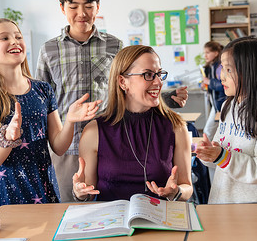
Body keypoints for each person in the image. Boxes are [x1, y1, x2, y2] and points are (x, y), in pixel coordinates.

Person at [36, 0, 188, 202]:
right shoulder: (49, 50)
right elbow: (43, 102)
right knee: (73, 207)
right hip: (66, 146)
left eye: (89, 6)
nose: (82, 13)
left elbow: (132, 84)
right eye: (74, 6)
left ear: (98, 7)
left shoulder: (114, 45)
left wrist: (164, 95)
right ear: (62, 8)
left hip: (114, 138)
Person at [0, 18, 101, 205]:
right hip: (5, 193)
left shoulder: (42, 89)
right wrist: (8, 139)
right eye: (4, 38)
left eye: (18, 36)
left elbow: (59, 147)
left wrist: (70, 120)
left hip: (43, 187)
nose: (14, 41)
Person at [72, 45, 193, 202]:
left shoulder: (175, 126)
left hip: (160, 220)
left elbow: (187, 186)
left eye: (159, 74)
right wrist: (80, 192)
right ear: (123, 82)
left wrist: (176, 192)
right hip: (113, 222)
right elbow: (87, 192)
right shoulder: (94, 131)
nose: (158, 82)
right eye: (148, 74)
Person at [195, 37, 257, 204]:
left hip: (253, 214)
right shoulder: (229, 106)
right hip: (224, 204)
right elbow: (221, 157)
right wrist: (210, 153)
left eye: (228, 70)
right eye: (221, 69)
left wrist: (222, 157)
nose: (221, 77)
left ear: (250, 72)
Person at [202, 41, 226, 141]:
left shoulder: (220, 67)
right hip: (215, 103)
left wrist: (209, 81)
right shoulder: (209, 67)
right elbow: (211, 86)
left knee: (208, 132)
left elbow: (223, 85)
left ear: (216, 53)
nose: (205, 55)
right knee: (216, 132)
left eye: (208, 52)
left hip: (220, 103)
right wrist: (205, 85)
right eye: (204, 53)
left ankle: (203, 155)